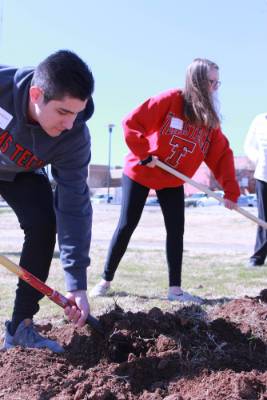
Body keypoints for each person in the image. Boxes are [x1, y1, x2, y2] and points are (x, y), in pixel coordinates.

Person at [90, 58, 240, 303]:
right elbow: (132, 122)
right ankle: (105, 280)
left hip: (172, 178)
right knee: (127, 223)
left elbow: (222, 155)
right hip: (142, 169)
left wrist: (231, 192)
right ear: (197, 81)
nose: (214, 88)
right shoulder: (171, 100)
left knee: (176, 230)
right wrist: (143, 153)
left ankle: (175, 290)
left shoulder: (210, 120)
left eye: (217, 83)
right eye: (210, 82)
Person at [0, 50, 95, 352]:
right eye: (63, 113)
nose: (69, 124)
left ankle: (21, 327)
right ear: (36, 94)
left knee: (44, 225)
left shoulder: (74, 137)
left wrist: (76, 283)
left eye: (76, 113)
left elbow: (74, 207)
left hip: (20, 172)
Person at [244, 113, 267, 267]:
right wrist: (258, 159)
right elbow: (248, 145)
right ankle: (257, 258)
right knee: (263, 218)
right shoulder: (259, 120)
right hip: (263, 176)